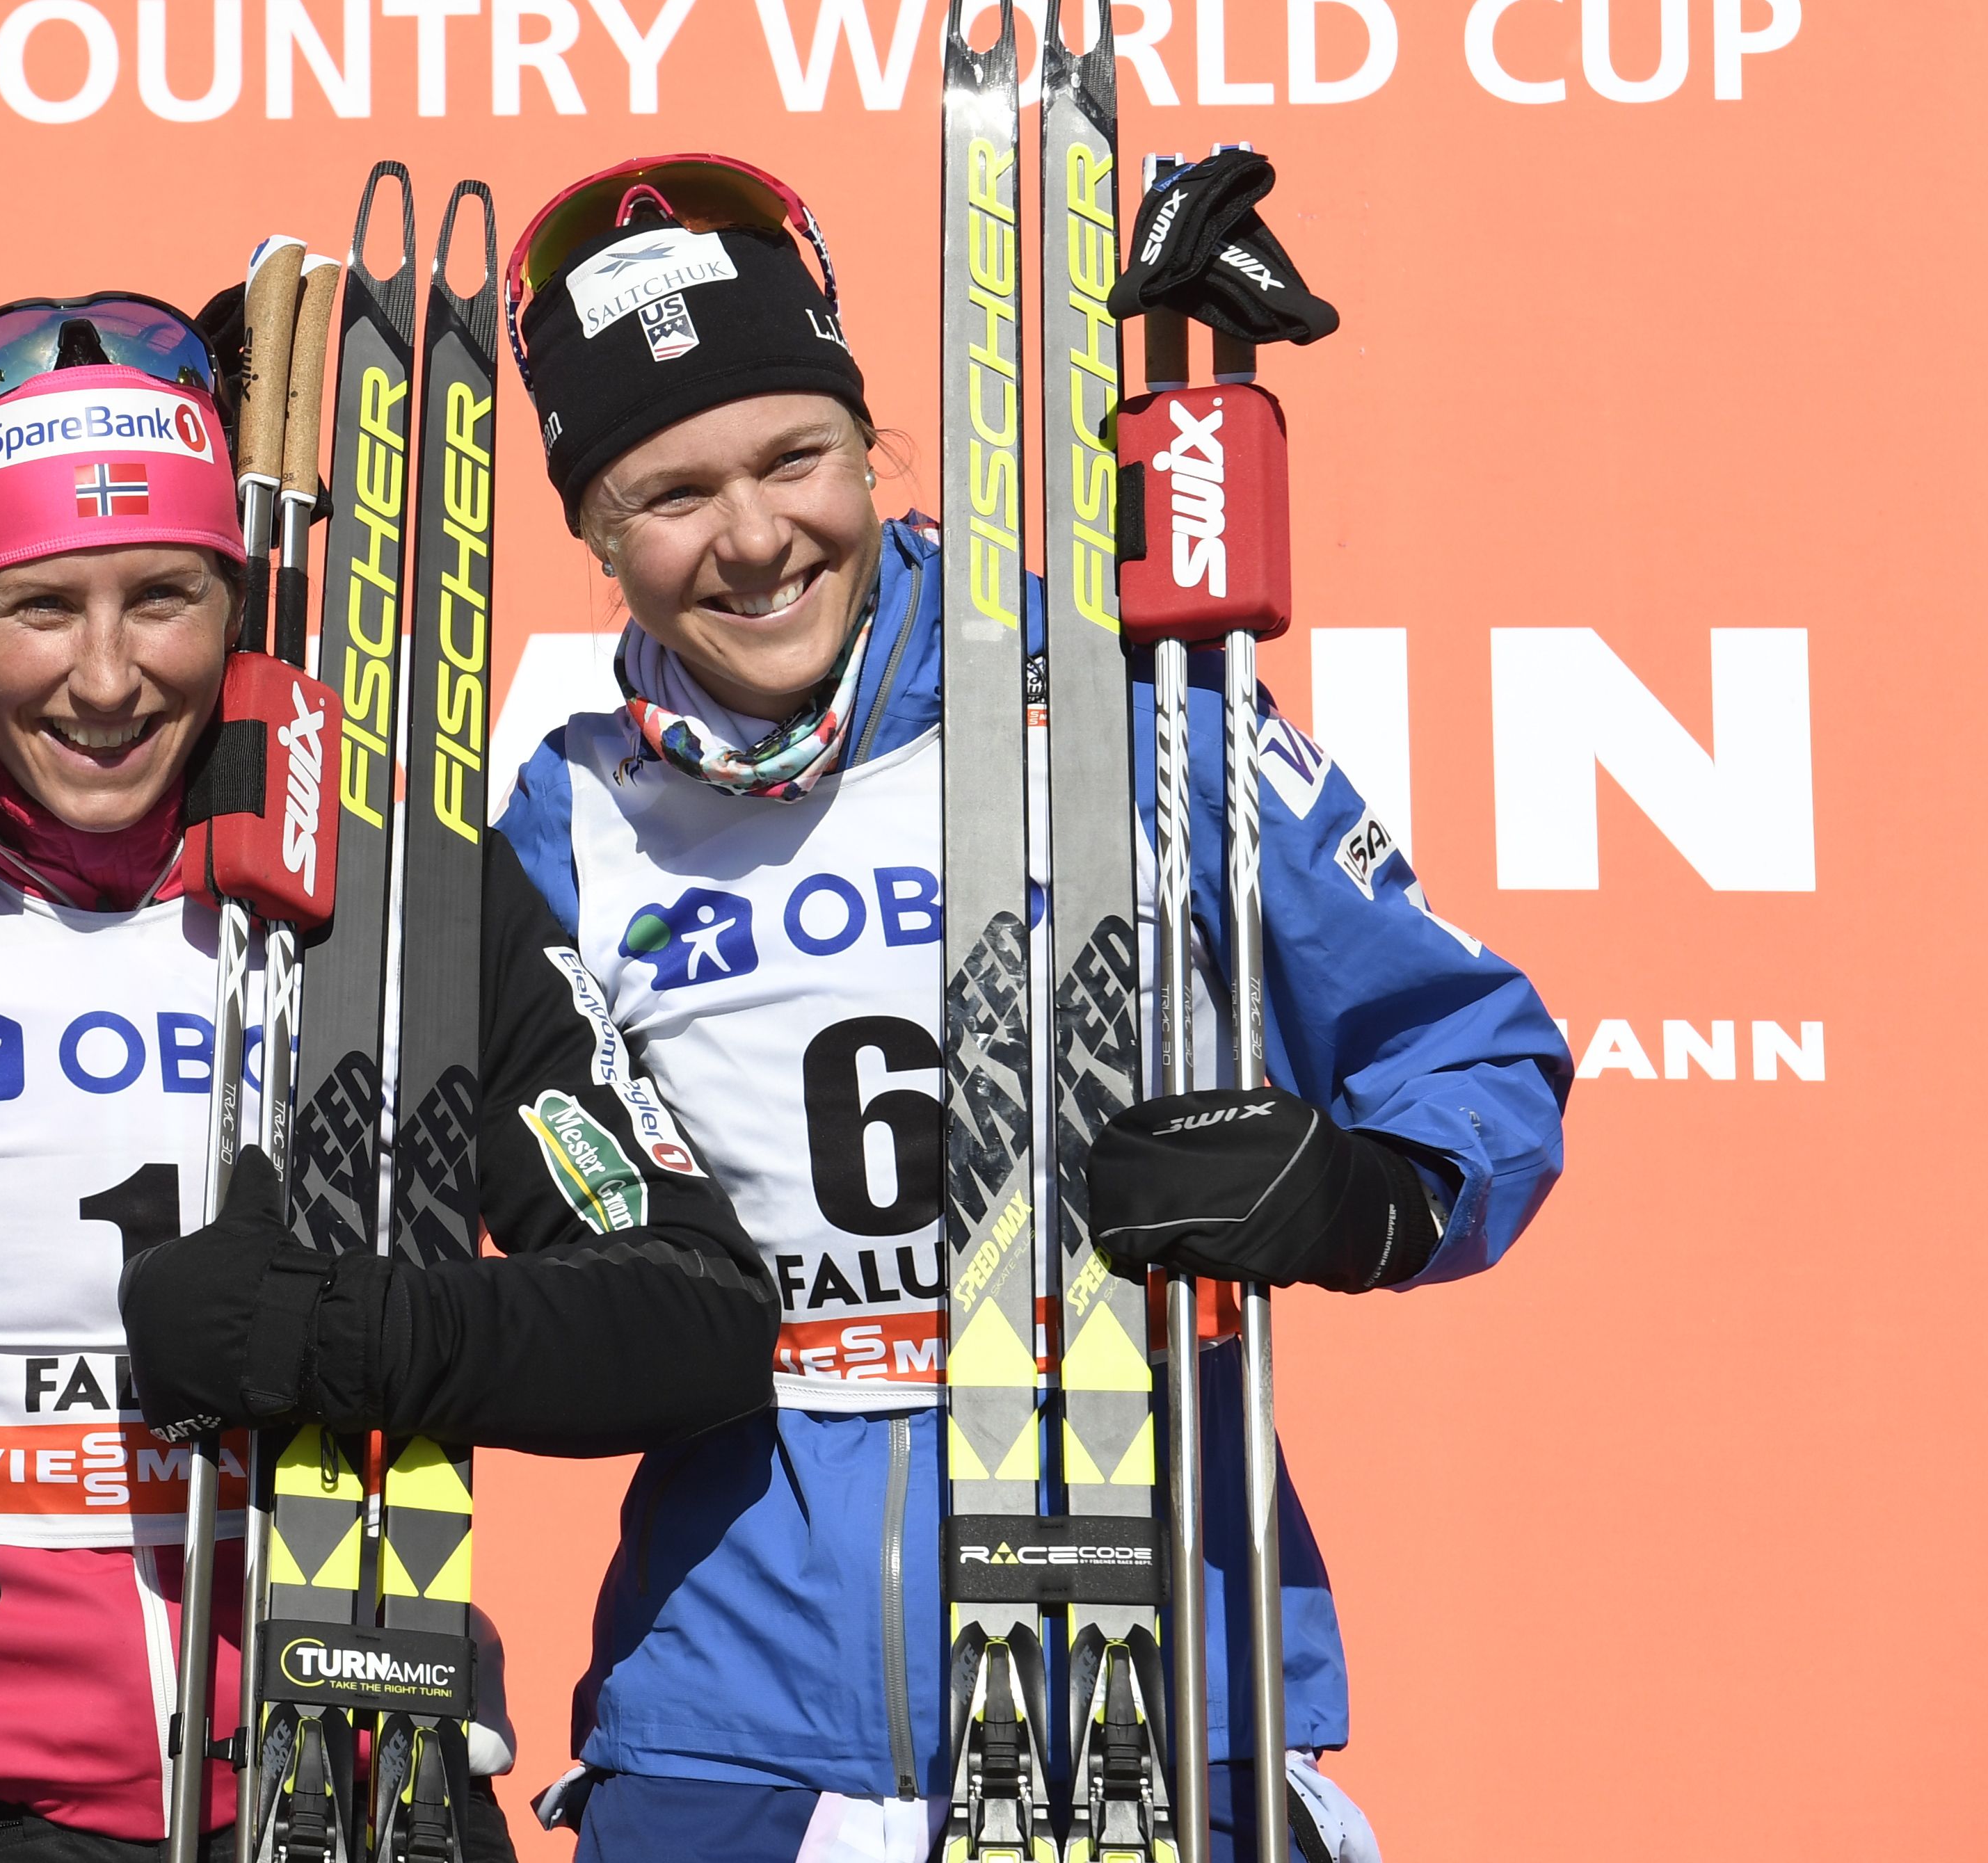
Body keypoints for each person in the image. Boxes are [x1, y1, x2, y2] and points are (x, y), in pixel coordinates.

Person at [122, 154, 1569, 1863]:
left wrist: (1363, 1196)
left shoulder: (1117, 708)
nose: (751, 539)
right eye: (668, 495)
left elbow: (1469, 1047)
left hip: (1146, 1658)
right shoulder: (562, 823)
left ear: (869, 444)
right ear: (590, 532)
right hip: (721, 1713)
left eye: (794, 457)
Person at [0, 291, 755, 1860]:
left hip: (373, 1775)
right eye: (37, 606)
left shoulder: (405, 904)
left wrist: (344, 1334)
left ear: (232, 597)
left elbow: (696, 1316)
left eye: (162, 594)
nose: (106, 680)